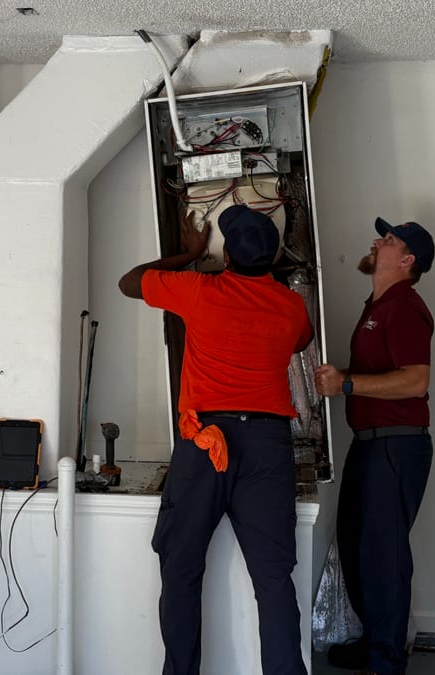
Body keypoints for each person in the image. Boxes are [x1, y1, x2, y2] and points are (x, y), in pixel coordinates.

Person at [119, 204, 314, 675]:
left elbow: (130, 282)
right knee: (272, 578)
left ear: (226, 257)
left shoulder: (198, 289)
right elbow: (301, 343)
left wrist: (186, 255)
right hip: (268, 444)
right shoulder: (291, 307)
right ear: (271, 259)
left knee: (182, 568)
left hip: (208, 441)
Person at [314, 218, 435, 675]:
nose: (376, 242)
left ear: (407, 261)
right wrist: (339, 378)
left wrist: (346, 385)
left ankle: (386, 661)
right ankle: (375, 644)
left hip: (396, 449)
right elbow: (377, 376)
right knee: (356, 547)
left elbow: (415, 380)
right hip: (370, 448)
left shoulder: (404, 306)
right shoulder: (377, 306)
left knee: (383, 557)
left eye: (389, 241)